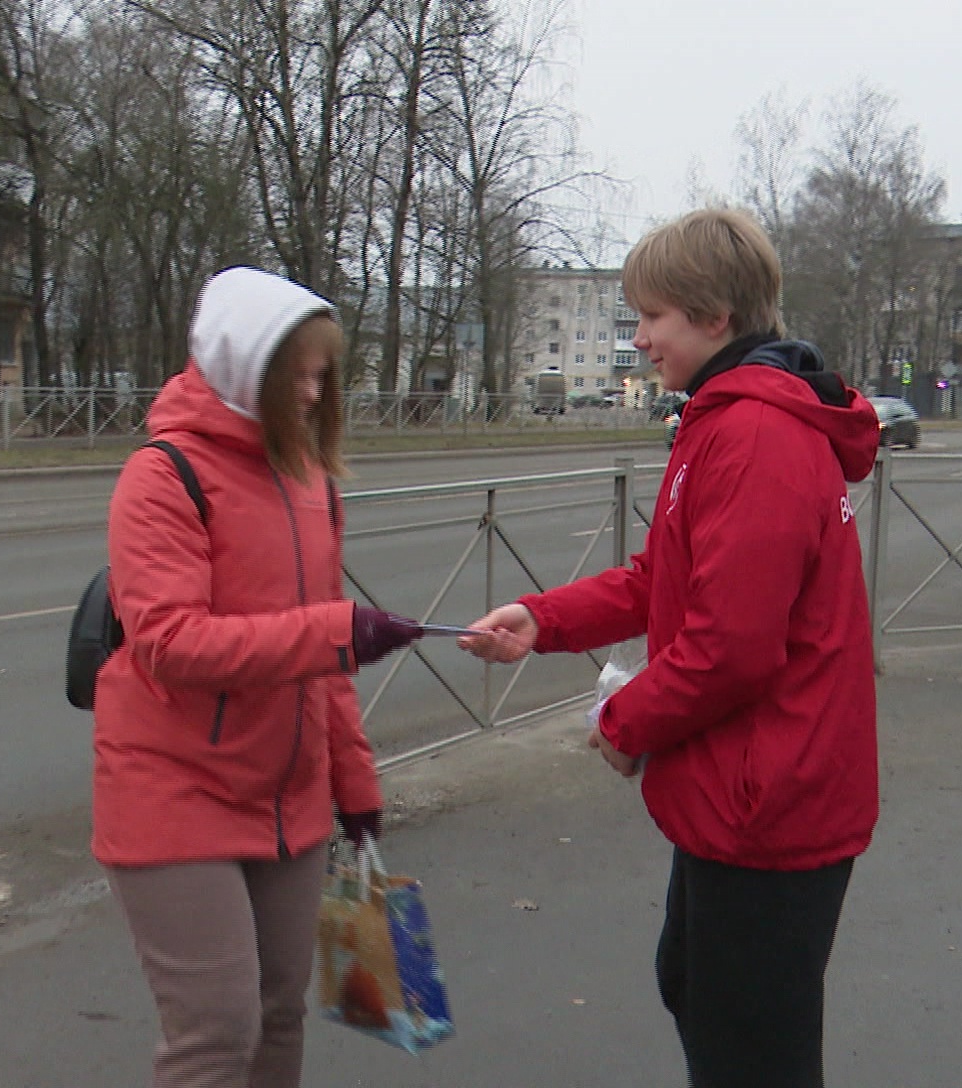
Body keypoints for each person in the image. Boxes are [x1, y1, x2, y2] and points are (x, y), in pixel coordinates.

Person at [460, 208, 881, 1088]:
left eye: (652, 316)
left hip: (771, 799)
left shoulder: (754, 434)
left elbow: (732, 647)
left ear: (713, 317)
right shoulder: (724, 417)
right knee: (696, 989)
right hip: (749, 789)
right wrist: (543, 620)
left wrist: (624, 722)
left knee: (751, 1053)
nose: (639, 337)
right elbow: (668, 577)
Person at [93, 266, 421, 1088]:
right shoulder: (163, 475)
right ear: (250, 370)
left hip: (291, 798)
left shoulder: (309, 481)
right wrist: (338, 633)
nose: (314, 392)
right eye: (299, 373)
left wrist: (356, 781)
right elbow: (170, 642)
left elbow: (322, 666)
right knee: (215, 1033)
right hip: (177, 793)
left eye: (322, 373)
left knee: (280, 1018)